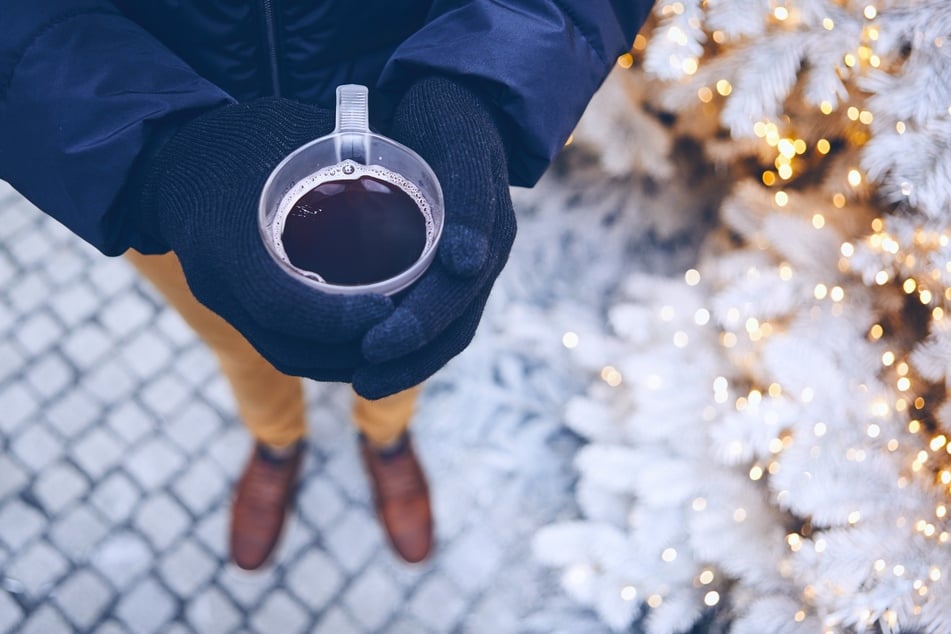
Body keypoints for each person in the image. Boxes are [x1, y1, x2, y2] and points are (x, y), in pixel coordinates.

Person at [0, 1, 654, 570]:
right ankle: (276, 440)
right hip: (176, 160)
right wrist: (151, 150)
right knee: (237, 343)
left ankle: (387, 433)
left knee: (406, 329)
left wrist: (482, 72)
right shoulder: (163, 169)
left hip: (404, 98)